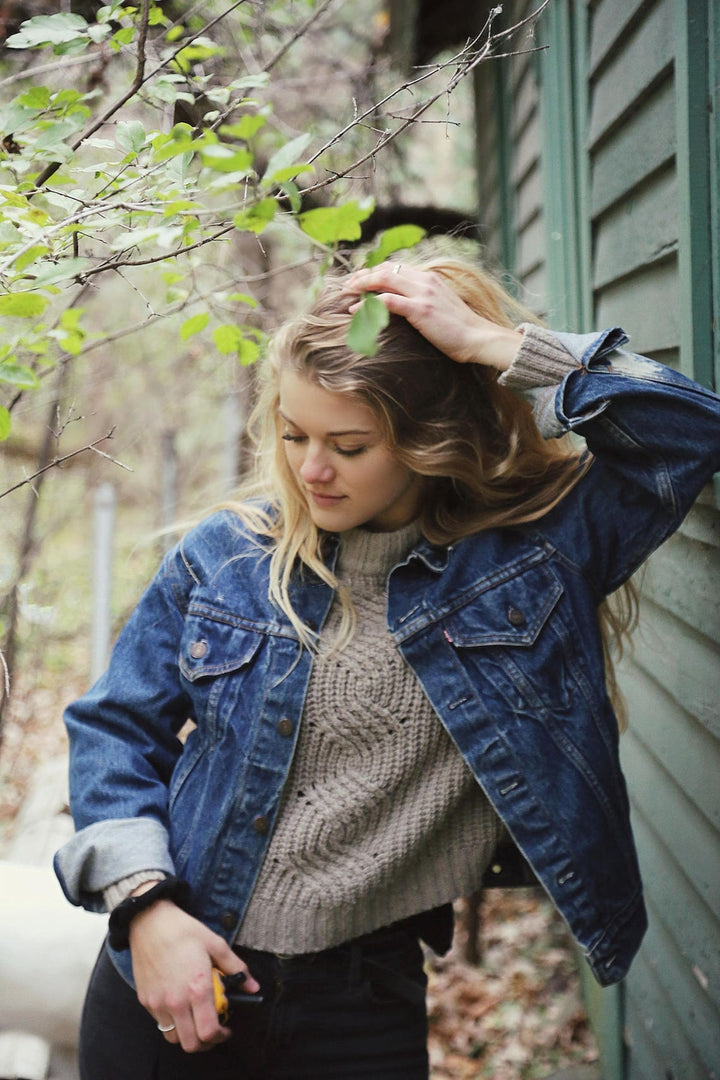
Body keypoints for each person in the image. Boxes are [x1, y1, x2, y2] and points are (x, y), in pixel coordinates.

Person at [54, 258, 720, 1079]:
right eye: (293, 434)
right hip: (183, 972)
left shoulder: (534, 561)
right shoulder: (228, 558)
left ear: (426, 443)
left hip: (362, 1004)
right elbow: (112, 729)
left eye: (349, 444)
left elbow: (690, 432)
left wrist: (492, 342)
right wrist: (143, 909)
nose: (310, 470)